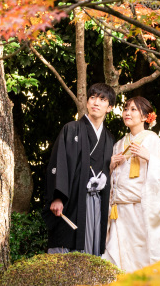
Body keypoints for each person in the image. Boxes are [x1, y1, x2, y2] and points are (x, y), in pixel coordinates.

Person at [104, 96, 160, 272]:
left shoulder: (153, 141)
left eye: (133, 110)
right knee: (118, 258)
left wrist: (149, 157)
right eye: (125, 109)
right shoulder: (119, 145)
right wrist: (111, 165)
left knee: (142, 257)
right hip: (119, 212)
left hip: (141, 210)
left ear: (145, 117)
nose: (127, 113)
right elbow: (114, 179)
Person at [42, 83, 116, 256]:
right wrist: (57, 197)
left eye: (102, 99)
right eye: (92, 98)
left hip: (98, 202)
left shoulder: (109, 139)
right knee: (66, 246)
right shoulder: (71, 129)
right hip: (72, 200)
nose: (96, 102)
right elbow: (58, 163)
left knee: (93, 245)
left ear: (110, 108)